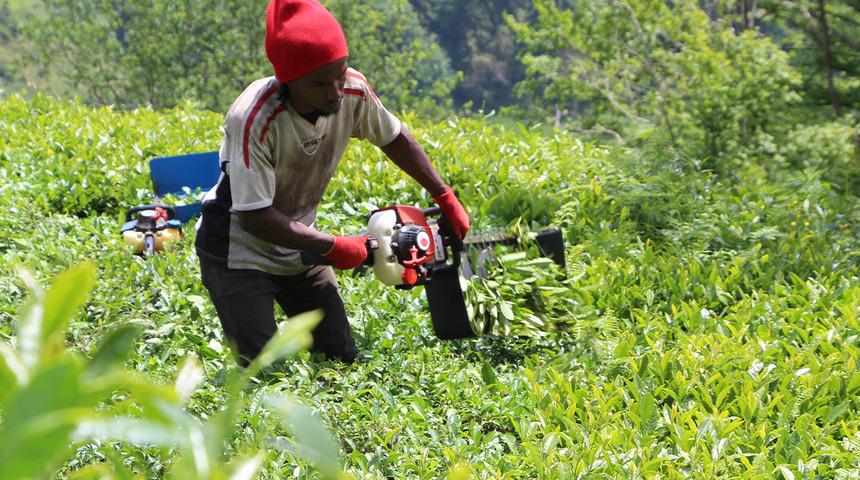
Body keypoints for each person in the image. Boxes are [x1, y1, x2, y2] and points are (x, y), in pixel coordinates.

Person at [194, 0, 470, 366]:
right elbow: (255, 216)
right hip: (238, 252)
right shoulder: (254, 119)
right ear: (289, 82)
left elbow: (393, 137)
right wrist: (335, 246)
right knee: (262, 370)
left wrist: (443, 194)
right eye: (320, 83)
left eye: (339, 74)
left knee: (339, 356)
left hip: (300, 245)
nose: (336, 92)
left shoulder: (352, 88)